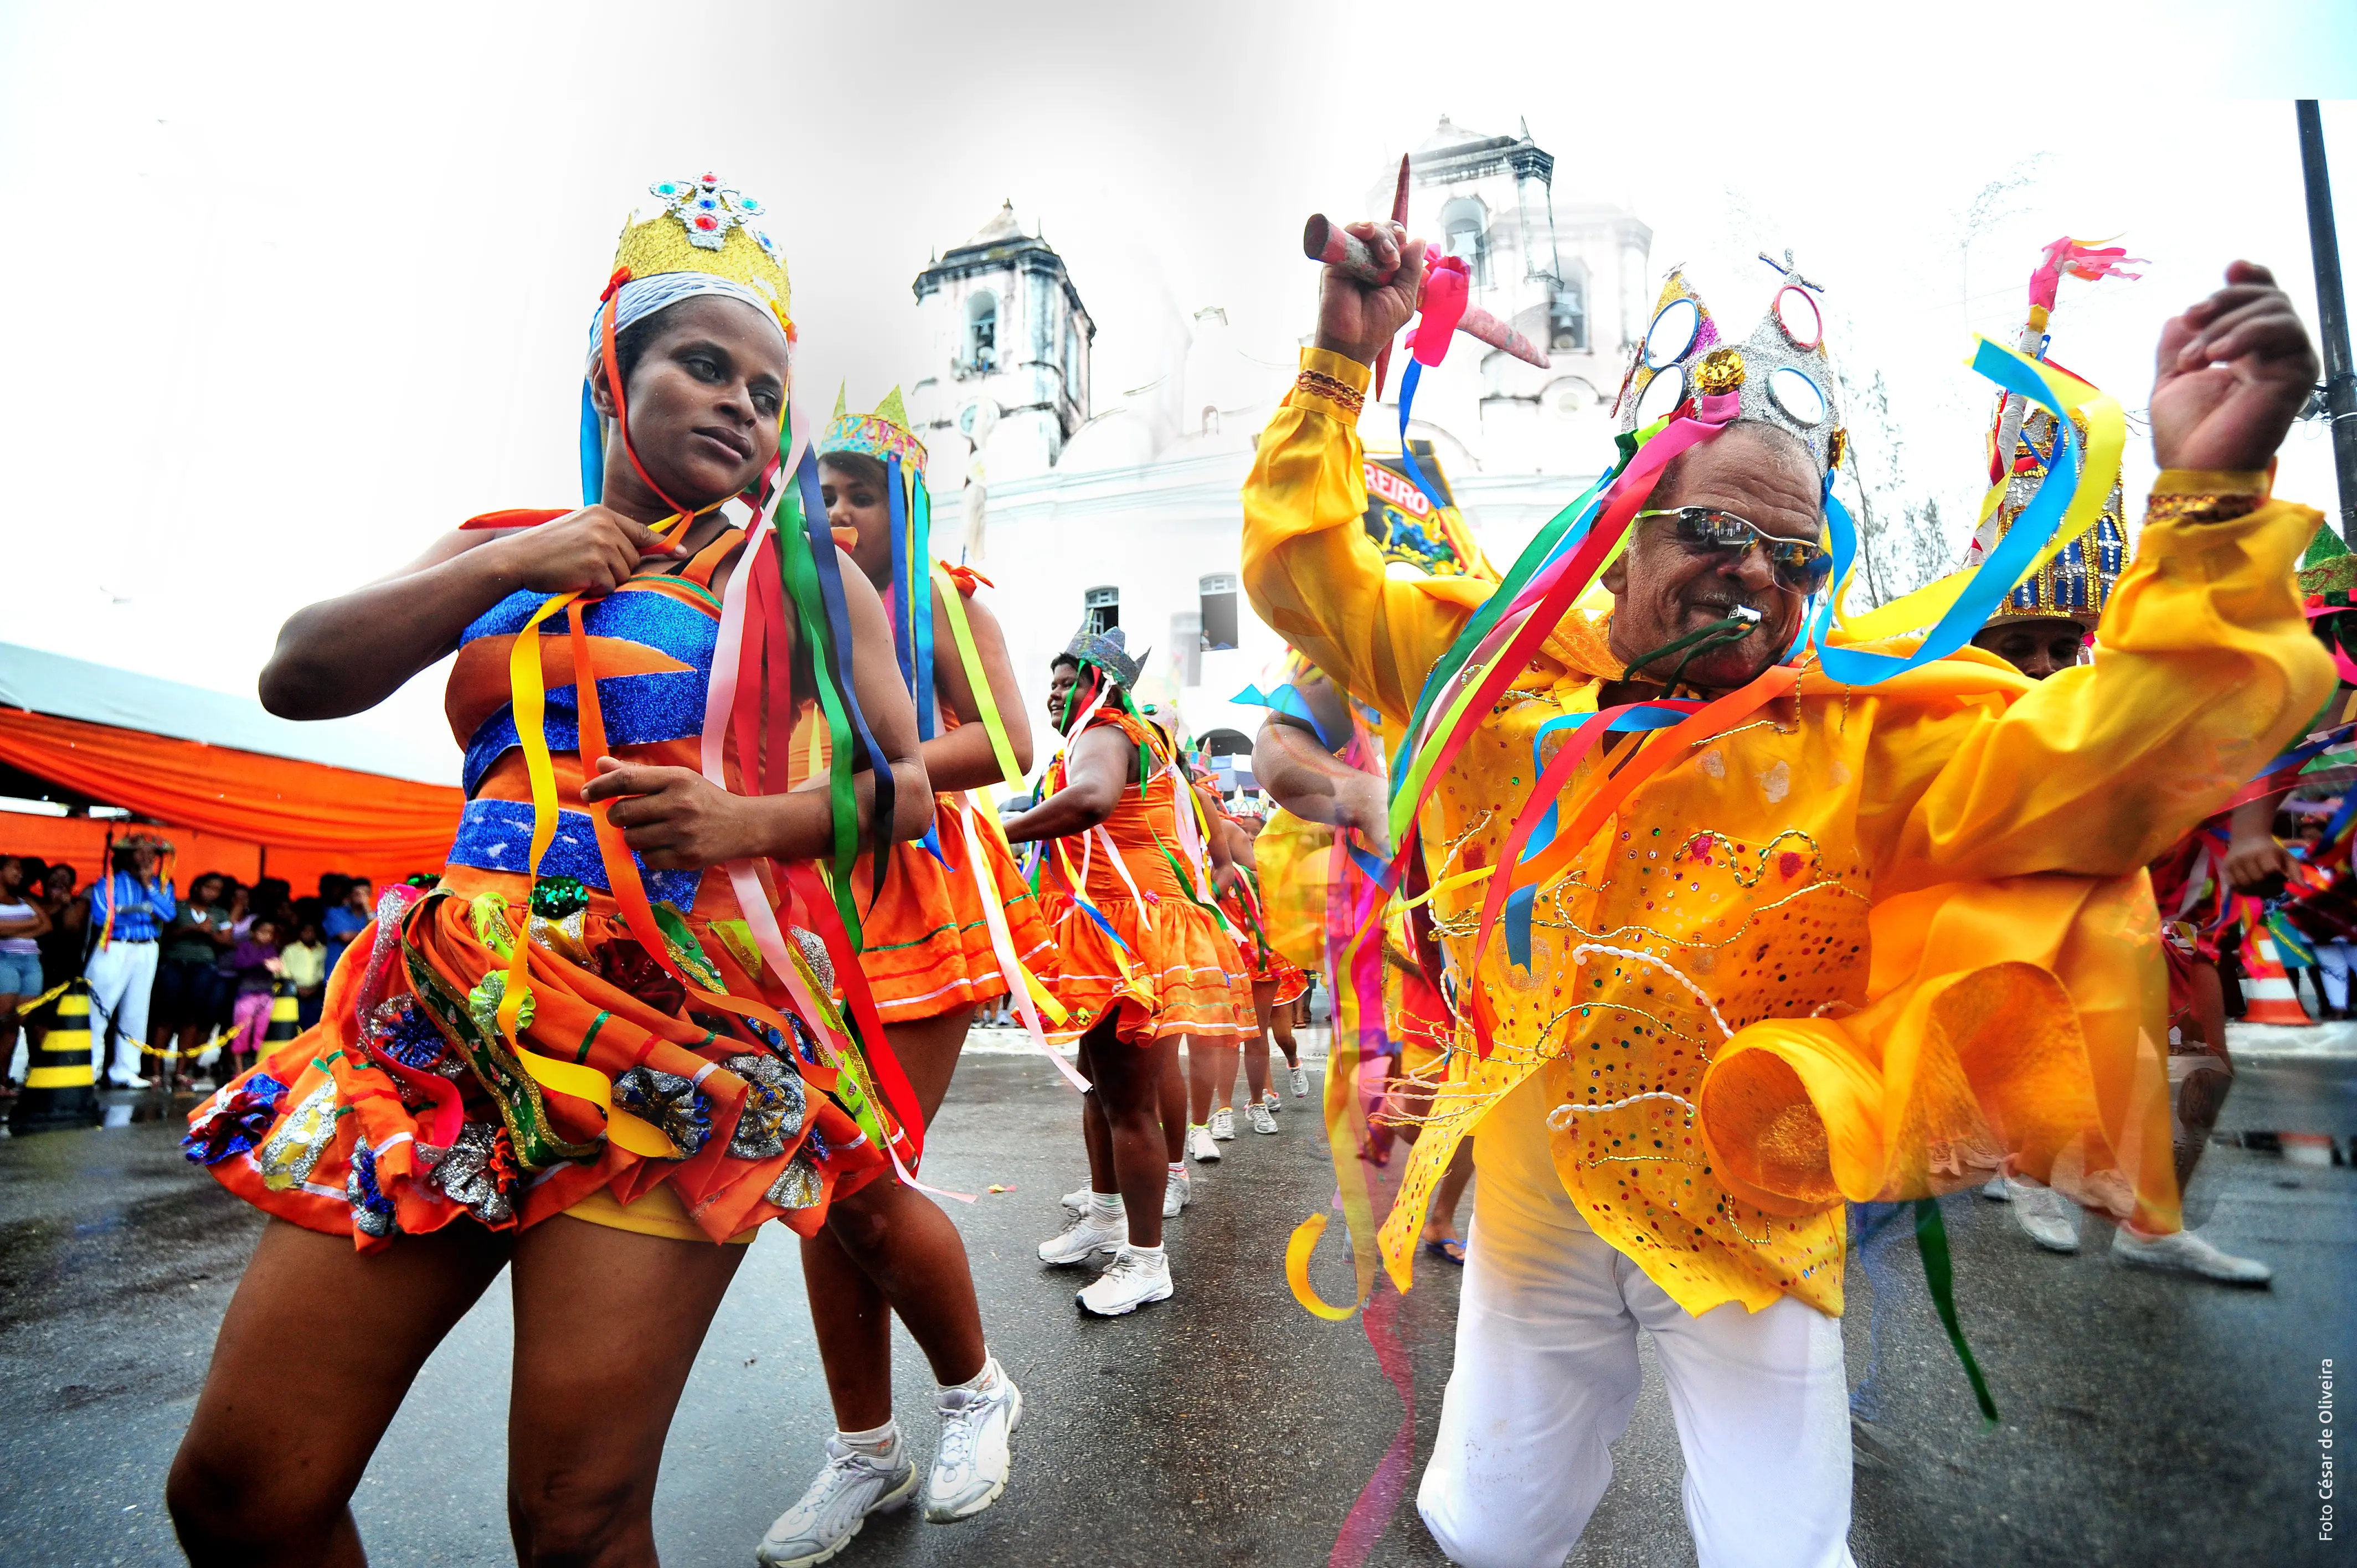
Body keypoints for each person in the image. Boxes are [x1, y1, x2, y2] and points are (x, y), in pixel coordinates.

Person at [1243, 214, 2328, 1568]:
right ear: (1624, 518)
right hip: (1533, 1213)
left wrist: (2212, 503)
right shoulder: (1495, 670)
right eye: (1714, 527)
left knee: (1784, 1551)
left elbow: (2133, 751)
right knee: (1487, 1530)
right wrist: (1344, 368)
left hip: (1758, 1217)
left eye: (1796, 554)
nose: (1756, 574)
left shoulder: (1865, 735)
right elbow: (1304, 570)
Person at [165, 172, 933, 1568]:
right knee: (238, 1497)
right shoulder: (497, 545)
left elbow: (916, 785)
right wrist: (520, 557)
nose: (741, 410)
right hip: (444, 1022)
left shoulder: (805, 577)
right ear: (611, 368)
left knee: (576, 1521)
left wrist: (741, 825)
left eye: (766, 393)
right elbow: (297, 673)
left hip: (673, 1037)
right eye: (704, 366)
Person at [752, 394, 1042, 1566]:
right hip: (798, 915)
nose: (835, 513)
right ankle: (864, 1448)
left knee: (865, 1172)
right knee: (813, 1191)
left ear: (904, 505)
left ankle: (975, 1392)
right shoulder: (773, 613)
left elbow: (1010, 740)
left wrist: (874, 770)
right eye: (818, 495)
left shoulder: (943, 597)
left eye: (859, 493)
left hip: (905, 895)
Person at [1004, 628, 1237, 1313]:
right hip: (1109, 930)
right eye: (1048, 682)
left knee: (1128, 1104)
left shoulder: (1104, 730)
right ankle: (1105, 1217)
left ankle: (1145, 1260)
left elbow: (1091, 802)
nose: (1054, 693)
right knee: (1097, 1090)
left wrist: (998, 829)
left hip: (1127, 933)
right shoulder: (1118, 733)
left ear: (1101, 688)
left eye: (1067, 681)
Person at [85, 834, 176, 1088]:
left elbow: (168, 914)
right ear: (127, 856)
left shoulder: (161, 885)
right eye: (140, 852)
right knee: (98, 1011)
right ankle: (89, 1071)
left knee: (136, 1012)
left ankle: (126, 1071)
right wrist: (145, 913)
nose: (147, 858)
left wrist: (147, 888)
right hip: (113, 947)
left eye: (152, 854)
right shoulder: (109, 883)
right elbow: (103, 917)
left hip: (146, 949)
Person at [156, 874, 236, 1090]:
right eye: (209, 887)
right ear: (197, 886)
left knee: (192, 1018)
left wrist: (209, 934)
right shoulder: (178, 907)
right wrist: (192, 930)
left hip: (204, 968)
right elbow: (165, 933)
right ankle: (155, 1070)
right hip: (173, 964)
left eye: (217, 889)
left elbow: (228, 941)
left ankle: (181, 1071)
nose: (212, 893)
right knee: (166, 1017)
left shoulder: (219, 913)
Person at [0, 856, 50, 1094]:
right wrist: (28, 926)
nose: (20, 874)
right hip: (5, 961)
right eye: (15, 869)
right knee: (2, 1021)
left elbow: (46, 925)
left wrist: (11, 929)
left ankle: (2, 1080)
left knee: (14, 1024)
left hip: (31, 963)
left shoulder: (25, 899)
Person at [219, 917, 284, 1079]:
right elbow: (240, 964)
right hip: (247, 995)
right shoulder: (245, 947)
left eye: (270, 933)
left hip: (266, 996)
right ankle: (239, 1070)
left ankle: (254, 1067)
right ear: (253, 932)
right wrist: (262, 963)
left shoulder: (271, 949)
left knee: (261, 1032)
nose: (266, 936)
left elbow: (277, 966)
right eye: (263, 932)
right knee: (242, 1031)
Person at [319, 877, 372, 981]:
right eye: (357, 894)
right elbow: (345, 937)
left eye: (365, 894)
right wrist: (368, 935)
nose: (361, 897)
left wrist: (367, 907)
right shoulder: (335, 913)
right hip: (337, 974)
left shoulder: (372, 915)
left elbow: (378, 935)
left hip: (362, 976)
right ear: (350, 895)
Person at [281, 917, 328, 1031]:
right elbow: (284, 972)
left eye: (312, 931)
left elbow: (324, 972)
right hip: (294, 992)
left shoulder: (323, 950)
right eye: (306, 931)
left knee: (315, 1025)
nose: (309, 934)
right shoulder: (290, 950)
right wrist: (297, 988)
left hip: (316, 992)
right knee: (295, 1025)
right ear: (300, 933)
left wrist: (314, 988)